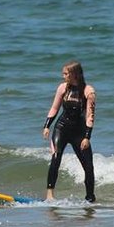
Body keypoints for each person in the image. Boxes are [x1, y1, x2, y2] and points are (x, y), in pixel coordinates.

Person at [42, 61, 96, 202]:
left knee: (88, 166)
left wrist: (87, 137)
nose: (63, 75)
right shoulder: (62, 88)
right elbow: (55, 108)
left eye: (66, 73)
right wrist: (47, 126)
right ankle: (49, 196)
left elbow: (90, 116)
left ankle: (90, 198)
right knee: (56, 157)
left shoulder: (88, 91)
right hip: (62, 128)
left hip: (79, 132)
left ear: (74, 74)